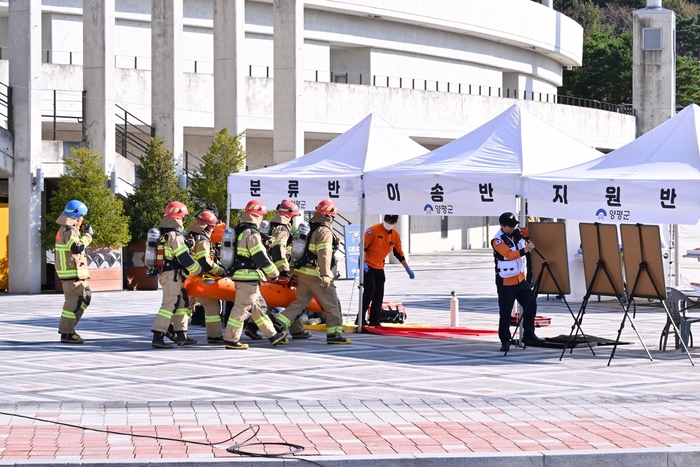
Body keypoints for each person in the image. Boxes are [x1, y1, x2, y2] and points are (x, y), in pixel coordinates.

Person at [275, 199, 350, 345]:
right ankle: (334, 334)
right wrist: (326, 274)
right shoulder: (324, 231)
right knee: (332, 304)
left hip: (302, 272)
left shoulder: (308, 227)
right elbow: (324, 254)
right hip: (316, 274)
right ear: (328, 216)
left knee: (299, 303)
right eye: (333, 216)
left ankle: (279, 324)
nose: (333, 219)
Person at [223, 199, 287, 350]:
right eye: (262, 216)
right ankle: (231, 339)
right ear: (257, 216)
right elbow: (260, 256)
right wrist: (274, 274)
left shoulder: (240, 231)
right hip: (248, 277)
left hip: (243, 276)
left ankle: (273, 335)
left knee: (257, 308)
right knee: (242, 307)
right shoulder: (251, 233)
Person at [151, 201, 203, 349]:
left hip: (173, 275)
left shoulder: (168, 234)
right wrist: (198, 270)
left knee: (181, 304)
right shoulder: (174, 235)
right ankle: (158, 336)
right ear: (178, 217)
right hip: (171, 275)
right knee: (168, 306)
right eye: (183, 217)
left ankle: (181, 335)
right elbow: (184, 258)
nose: (184, 220)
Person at [492, 212, 546, 351]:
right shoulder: (497, 240)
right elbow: (509, 255)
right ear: (502, 226)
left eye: (514, 225)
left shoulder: (517, 233)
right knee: (505, 312)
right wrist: (526, 250)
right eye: (509, 226)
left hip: (520, 279)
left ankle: (529, 334)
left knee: (530, 303)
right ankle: (505, 340)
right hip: (505, 281)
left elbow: (529, 232)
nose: (513, 228)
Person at [266, 199, 311, 340]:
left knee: (271, 301)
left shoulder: (272, 226)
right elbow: (279, 250)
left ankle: (297, 330)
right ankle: (255, 326)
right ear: (289, 215)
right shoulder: (282, 229)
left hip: (269, 268)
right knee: (291, 299)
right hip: (278, 269)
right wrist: (284, 270)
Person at [360, 214, 414, 327]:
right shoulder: (372, 230)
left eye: (391, 221)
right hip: (368, 265)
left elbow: (398, 253)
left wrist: (407, 268)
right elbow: (363, 247)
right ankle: (360, 318)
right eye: (387, 220)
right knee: (370, 290)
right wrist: (363, 262)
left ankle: (375, 319)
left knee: (379, 294)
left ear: (395, 223)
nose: (388, 223)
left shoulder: (395, 235)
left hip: (379, 266)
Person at [55, 199, 93, 344]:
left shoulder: (68, 230)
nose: (82, 220)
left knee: (85, 298)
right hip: (72, 275)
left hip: (76, 274)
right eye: (82, 216)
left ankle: (69, 327)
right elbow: (76, 247)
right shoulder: (70, 231)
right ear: (76, 217)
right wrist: (88, 235)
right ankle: (67, 333)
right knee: (73, 303)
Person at [187, 210, 226, 344]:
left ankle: (175, 332)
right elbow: (204, 260)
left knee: (186, 307)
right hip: (200, 279)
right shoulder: (203, 239)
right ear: (207, 225)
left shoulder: (191, 236)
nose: (214, 227)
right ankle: (214, 336)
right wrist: (220, 271)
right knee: (212, 307)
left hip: (189, 278)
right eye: (213, 225)